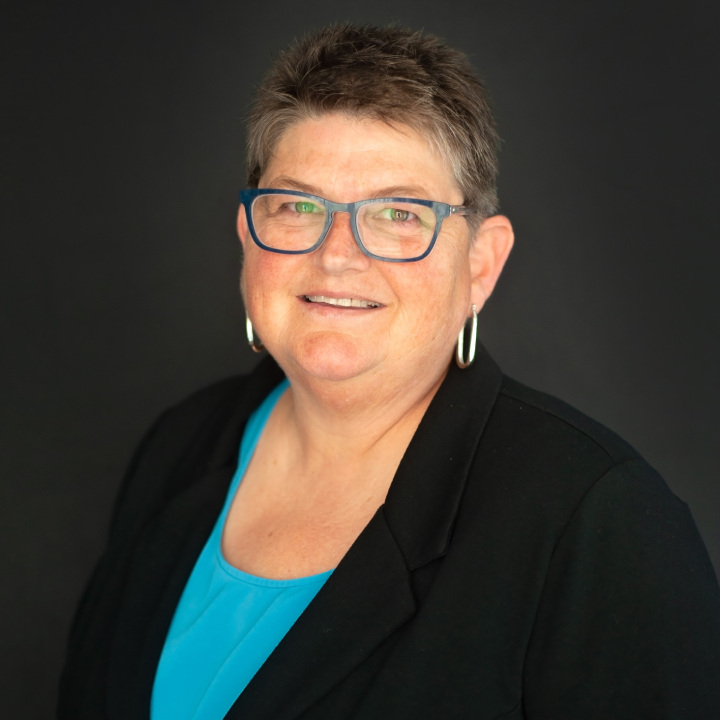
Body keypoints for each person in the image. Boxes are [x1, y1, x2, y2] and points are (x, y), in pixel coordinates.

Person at [58, 23, 720, 720]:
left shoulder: (599, 523)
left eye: (399, 213)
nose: (338, 254)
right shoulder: (179, 446)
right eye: (297, 205)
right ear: (248, 237)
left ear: (480, 266)